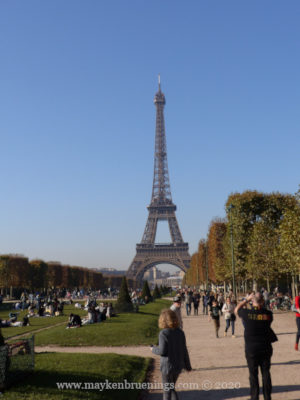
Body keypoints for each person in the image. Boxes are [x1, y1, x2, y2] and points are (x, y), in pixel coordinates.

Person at [235, 292, 275, 400]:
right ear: (263, 301)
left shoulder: (246, 313)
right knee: (266, 373)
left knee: (253, 374)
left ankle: (254, 397)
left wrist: (246, 300)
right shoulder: (268, 314)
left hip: (251, 348)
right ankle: (267, 397)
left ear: (252, 302)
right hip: (265, 346)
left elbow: (236, 309)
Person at [151, 309, 192, 400]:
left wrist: (153, 349)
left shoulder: (163, 333)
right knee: (171, 388)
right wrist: (188, 366)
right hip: (178, 365)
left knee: (167, 390)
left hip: (167, 366)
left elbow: (162, 351)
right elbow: (184, 350)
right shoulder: (180, 332)